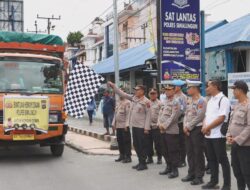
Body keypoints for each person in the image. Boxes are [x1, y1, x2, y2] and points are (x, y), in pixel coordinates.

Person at [108, 82, 151, 171]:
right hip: (134, 126)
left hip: (142, 127)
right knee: (136, 145)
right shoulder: (134, 99)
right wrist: (114, 87)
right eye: (135, 90)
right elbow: (122, 93)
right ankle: (140, 162)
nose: (135, 91)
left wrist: (147, 128)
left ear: (142, 91)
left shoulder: (146, 102)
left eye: (137, 90)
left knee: (142, 145)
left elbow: (148, 116)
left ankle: (143, 163)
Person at [202, 80, 231, 190]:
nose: (206, 88)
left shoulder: (223, 100)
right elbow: (206, 116)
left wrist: (208, 127)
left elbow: (221, 118)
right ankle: (213, 182)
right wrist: (205, 127)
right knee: (211, 160)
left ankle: (227, 185)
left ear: (215, 86)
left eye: (208, 86)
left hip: (218, 135)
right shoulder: (210, 100)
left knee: (222, 160)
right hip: (208, 135)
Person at [181, 80, 207, 185]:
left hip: (197, 129)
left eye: (189, 88)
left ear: (195, 88)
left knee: (198, 153)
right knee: (190, 152)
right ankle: (191, 173)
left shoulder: (202, 100)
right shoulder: (189, 100)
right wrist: (184, 126)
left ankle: (199, 176)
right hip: (188, 129)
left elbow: (200, 116)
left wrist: (188, 126)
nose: (187, 90)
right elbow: (186, 115)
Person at [227, 80, 250, 190]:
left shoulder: (249, 105)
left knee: (247, 173)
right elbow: (231, 122)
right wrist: (228, 135)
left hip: (245, 146)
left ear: (240, 90)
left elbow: (249, 127)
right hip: (235, 144)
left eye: (234, 89)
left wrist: (237, 139)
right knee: (237, 171)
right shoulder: (236, 105)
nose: (233, 92)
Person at [158, 84, 181, 179]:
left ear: (174, 91)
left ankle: (175, 170)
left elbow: (174, 117)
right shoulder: (164, 101)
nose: (167, 91)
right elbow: (160, 114)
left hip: (171, 130)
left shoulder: (176, 102)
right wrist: (159, 124)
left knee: (173, 150)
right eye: (166, 90)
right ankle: (168, 166)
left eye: (169, 90)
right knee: (164, 150)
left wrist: (164, 126)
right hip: (162, 130)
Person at [112, 88, 132, 163]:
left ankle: (128, 157)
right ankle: (122, 155)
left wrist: (126, 125)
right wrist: (113, 124)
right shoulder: (118, 102)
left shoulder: (128, 102)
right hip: (118, 125)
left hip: (124, 126)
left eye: (121, 93)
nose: (120, 95)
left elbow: (128, 115)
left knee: (126, 141)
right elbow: (115, 114)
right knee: (120, 141)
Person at [172, 79, 187, 168]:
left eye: (174, 87)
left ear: (178, 87)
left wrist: (178, 116)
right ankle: (177, 159)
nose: (173, 88)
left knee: (182, 142)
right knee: (175, 142)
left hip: (180, 121)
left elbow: (183, 109)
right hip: (173, 121)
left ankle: (182, 160)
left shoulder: (183, 97)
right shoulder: (173, 96)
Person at [145, 88, 163, 164]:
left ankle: (159, 158)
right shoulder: (146, 103)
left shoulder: (160, 103)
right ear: (149, 94)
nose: (152, 95)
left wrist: (159, 125)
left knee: (158, 144)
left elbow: (162, 115)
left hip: (156, 127)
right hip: (148, 126)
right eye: (151, 93)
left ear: (157, 94)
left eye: (154, 93)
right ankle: (149, 158)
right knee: (148, 143)